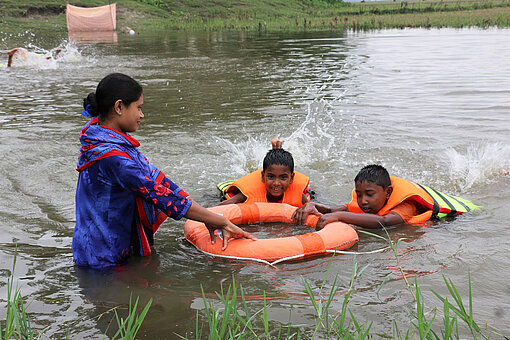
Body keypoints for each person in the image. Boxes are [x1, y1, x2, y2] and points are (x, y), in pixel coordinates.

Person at [72, 73, 255, 269]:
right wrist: (219, 220)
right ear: (119, 107)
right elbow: (161, 197)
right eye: (139, 107)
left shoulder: (108, 141)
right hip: (101, 255)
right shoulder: (113, 156)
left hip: (112, 242)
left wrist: (208, 217)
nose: (141, 115)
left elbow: (160, 182)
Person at [292, 164, 478, 230]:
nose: (363, 201)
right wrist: (311, 206)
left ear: (387, 192)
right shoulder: (366, 200)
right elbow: (333, 210)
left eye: (369, 195)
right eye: (359, 194)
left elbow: (385, 222)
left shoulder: (406, 205)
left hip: (466, 216)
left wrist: (339, 217)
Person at [216, 139, 312, 207]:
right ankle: (276, 148)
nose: (276, 183)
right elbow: (218, 207)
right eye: (271, 177)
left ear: (291, 178)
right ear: (262, 176)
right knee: (274, 166)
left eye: (283, 178)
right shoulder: (247, 193)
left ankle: (277, 148)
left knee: (277, 165)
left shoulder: (298, 193)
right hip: (255, 183)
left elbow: (313, 207)